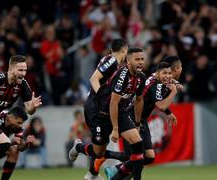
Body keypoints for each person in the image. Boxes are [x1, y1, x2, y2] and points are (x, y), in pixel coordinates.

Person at [94, 55, 184, 173]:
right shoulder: (157, 84)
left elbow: (153, 99)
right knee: (132, 156)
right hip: (132, 116)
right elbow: (160, 104)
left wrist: (168, 112)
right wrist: (174, 92)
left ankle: (116, 170)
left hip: (142, 119)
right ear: (176, 68)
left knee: (148, 157)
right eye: (181, 66)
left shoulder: (161, 79)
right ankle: (110, 164)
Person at [69, 48, 146, 180]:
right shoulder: (122, 76)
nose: (140, 62)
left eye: (142, 59)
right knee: (99, 152)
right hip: (102, 113)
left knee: (138, 143)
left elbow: (139, 100)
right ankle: (78, 147)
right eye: (137, 59)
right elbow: (113, 103)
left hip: (120, 112)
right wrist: (115, 129)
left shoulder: (141, 78)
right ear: (128, 60)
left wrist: (137, 123)